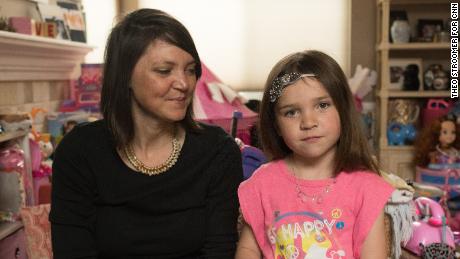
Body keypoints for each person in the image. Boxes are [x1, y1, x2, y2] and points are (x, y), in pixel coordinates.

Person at [50, 9, 242, 258]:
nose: (184, 84)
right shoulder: (79, 151)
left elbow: (220, 251)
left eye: (190, 70)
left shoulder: (218, 152)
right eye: (164, 70)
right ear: (125, 75)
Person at [236, 50, 394, 259]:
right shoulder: (262, 184)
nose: (309, 122)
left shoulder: (366, 187)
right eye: (291, 112)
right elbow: (248, 249)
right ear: (276, 124)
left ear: (343, 110)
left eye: (322, 105)